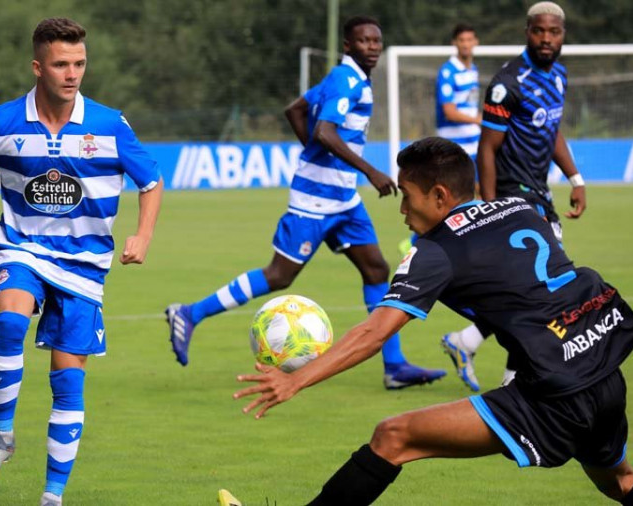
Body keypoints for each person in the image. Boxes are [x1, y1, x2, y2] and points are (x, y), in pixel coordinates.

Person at [234, 137, 633, 506]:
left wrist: (296, 380)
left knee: (393, 436)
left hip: (556, 392)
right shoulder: (519, 209)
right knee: (621, 481)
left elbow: (374, 331)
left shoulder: (435, 251)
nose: (403, 211)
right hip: (604, 371)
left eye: (407, 197)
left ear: (440, 196)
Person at [0, 18, 163, 506]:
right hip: (22, 248)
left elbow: (150, 181)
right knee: (10, 319)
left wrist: (142, 235)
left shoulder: (109, 125)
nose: (72, 73)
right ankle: (2, 437)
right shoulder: (1, 120)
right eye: (61, 64)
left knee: (67, 382)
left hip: (85, 267)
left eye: (79, 63)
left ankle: (51, 497)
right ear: (38, 67)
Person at [165, 16, 445, 389]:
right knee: (279, 275)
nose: (372, 47)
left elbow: (295, 109)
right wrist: (370, 171)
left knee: (377, 270)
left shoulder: (350, 78)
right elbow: (323, 131)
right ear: (348, 46)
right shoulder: (346, 80)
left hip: (343, 199)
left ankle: (394, 366)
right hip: (314, 200)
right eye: (364, 41)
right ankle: (189, 313)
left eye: (377, 41)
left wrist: (319, 155)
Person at [440, 2, 587, 393]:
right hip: (511, 192)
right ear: (527, 31)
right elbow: (487, 149)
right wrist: (491, 209)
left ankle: (466, 342)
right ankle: (514, 381)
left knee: (529, 285)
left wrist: (575, 177)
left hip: (540, 190)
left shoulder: (558, 75)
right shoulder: (508, 82)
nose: (546, 39)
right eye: (539, 31)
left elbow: (553, 130)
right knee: (548, 280)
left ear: (562, 35)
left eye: (553, 32)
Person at [436, 23, 481, 158]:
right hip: (453, 143)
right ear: (454, 43)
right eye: (462, 40)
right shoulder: (447, 72)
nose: (466, 45)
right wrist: (478, 121)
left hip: (474, 140)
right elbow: (449, 112)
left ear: (475, 42)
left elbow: (471, 105)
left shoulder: (473, 70)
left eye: (469, 40)